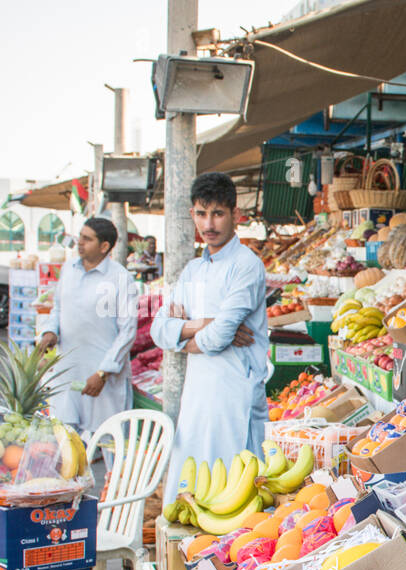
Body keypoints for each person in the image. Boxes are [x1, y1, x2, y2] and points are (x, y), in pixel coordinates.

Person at [152, 172, 269, 501]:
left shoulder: (246, 265)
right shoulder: (193, 270)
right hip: (197, 396)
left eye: (217, 213)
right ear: (192, 215)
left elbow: (219, 337)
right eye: (201, 213)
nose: (209, 223)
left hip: (235, 395)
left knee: (233, 497)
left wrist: (188, 334)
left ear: (236, 215)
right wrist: (203, 323)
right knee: (191, 492)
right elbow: (159, 329)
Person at [36, 217, 137, 437]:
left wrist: (103, 372)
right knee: (63, 441)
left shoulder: (120, 277)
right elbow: (58, 308)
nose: (79, 243)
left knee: (109, 440)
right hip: (68, 372)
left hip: (102, 377)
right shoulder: (69, 269)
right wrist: (50, 331)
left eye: (87, 239)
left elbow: (128, 331)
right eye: (80, 237)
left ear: (104, 246)